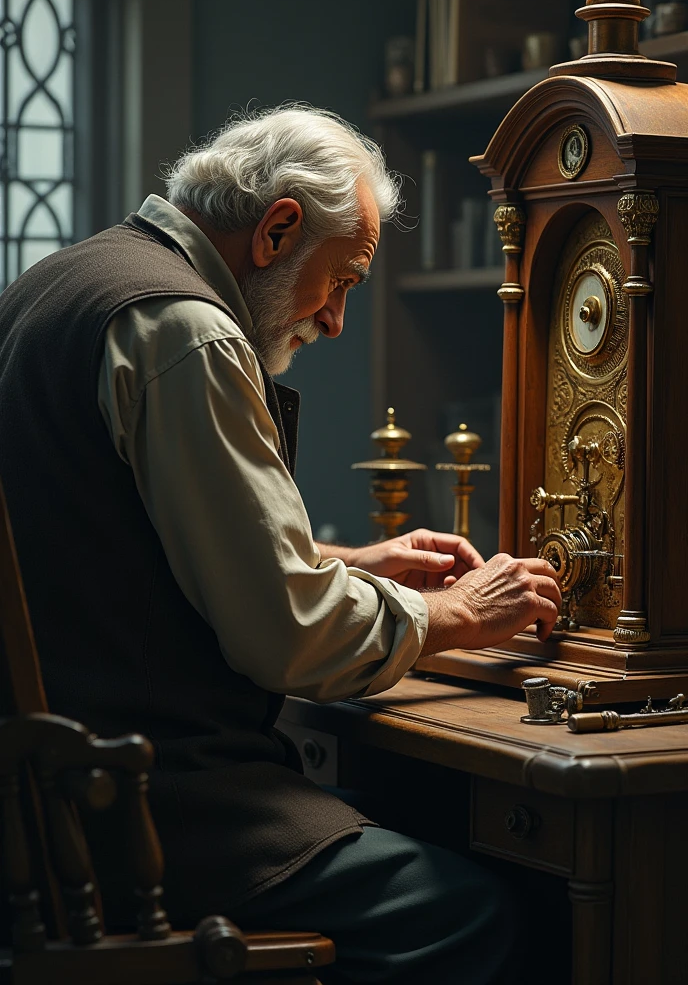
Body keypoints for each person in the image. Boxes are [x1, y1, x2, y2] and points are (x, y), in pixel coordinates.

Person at [0, 104, 560, 984]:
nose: (336, 320)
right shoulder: (187, 331)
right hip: (143, 809)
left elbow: (120, 542)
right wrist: (451, 612)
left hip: (47, 803)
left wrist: (353, 563)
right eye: (342, 280)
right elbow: (285, 635)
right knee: (477, 915)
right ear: (279, 229)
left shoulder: (57, 282)